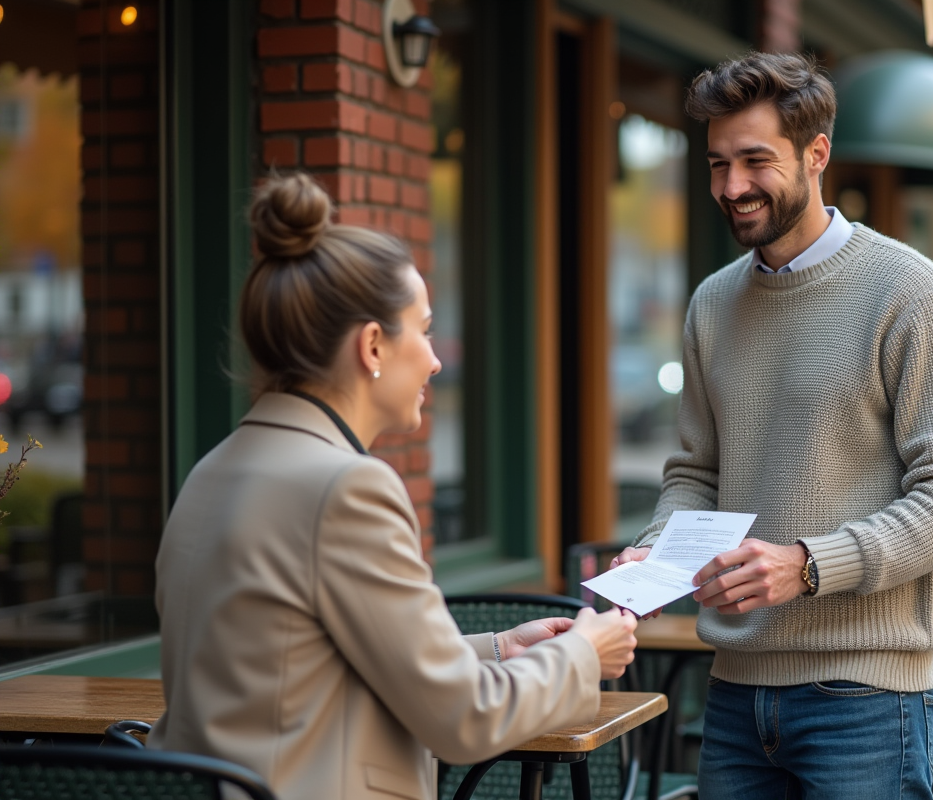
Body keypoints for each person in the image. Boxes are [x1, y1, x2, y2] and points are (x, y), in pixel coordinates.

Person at [150, 172, 638, 800]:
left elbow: (304, 664)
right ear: (373, 345)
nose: (435, 359)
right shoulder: (347, 488)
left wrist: (496, 649)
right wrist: (584, 655)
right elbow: (464, 719)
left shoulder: (211, 471)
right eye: (425, 328)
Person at [613, 52, 933, 798]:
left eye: (756, 160)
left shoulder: (913, 293)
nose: (732, 187)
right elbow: (697, 471)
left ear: (816, 154)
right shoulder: (711, 305)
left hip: (867, 699)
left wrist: (810, 564)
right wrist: (654, 552)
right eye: (718, 163)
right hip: (731, 694)